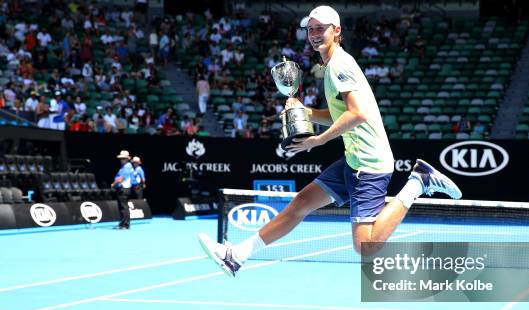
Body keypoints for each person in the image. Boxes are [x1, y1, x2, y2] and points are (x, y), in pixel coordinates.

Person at [197, 5, 462, 277]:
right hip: (353, 158)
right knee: (300, 204)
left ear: (336, 32)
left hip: (369, 163)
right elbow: (337, 113)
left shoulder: (339, 65)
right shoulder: (330, 65)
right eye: (310, 29)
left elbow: (357, 114)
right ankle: (237, 255)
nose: (314, 34)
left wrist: (318, 140)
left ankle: (419, 182)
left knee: (367, 247)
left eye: (320, 28)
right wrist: (304, 110)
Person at [111, 150, 134, 229]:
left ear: (127, 159)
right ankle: (123, 223)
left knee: (124, 207)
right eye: (121, 158)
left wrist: (114, 184)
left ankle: (125, 224)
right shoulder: (125, 166)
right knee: (122, 207)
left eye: (123, 158)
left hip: (124, 189)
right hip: (122, 189)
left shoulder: (127, 166)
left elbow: (121, 179)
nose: (121, 160)